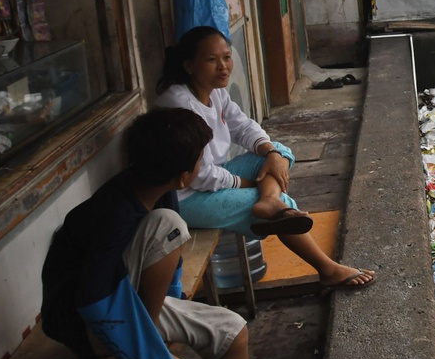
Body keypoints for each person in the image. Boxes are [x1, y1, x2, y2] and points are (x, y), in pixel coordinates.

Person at [41, 108, 252, 359]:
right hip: (88, 328)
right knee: (170, 227)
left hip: (112, 306)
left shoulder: (148, 188)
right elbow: (92, 299)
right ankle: (152, 335)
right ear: (183, 177)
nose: (204, 163)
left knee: (233, 332)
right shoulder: (117, 212)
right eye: (200, 160)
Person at [155, 26, 374, 293]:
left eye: (226, 57)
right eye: (212, 60)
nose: (223, 67)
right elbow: (196, 175)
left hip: (212, 176)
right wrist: (246, 183)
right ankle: (327, 269)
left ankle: (268, 200)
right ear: (189, 65)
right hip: (184, 197)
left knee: (280, 151)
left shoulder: (215, 92)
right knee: (282, 206)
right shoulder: (180, 104)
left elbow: (244, 127)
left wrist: (270, 152)